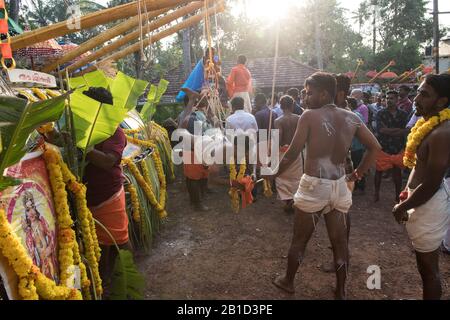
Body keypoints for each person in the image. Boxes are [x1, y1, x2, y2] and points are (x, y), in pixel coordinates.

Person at [268, 72, 381, 299]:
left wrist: (273, 174)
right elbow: (375, 147)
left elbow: (291, 154)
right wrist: (357, 173)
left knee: (299, 241)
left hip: (314, 186)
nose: (305, 97)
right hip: (339, 186)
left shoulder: (309, 116)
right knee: (340, 244)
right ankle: (340, 291)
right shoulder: (351, 117)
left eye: (309, 93)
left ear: (324, 93)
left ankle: (288, 281)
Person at [392, 74, 450, 300]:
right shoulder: (429, 125)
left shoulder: (442, 132)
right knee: (424, 267)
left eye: (424, 95)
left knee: (429, 270)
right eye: (418, 92)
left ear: (442, 102)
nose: (416, 98)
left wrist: (403, 206)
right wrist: (407, 192)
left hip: (429, 203)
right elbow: (420, 168)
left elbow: (432, 183)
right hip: (421, 201)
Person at [83, 94, 130, 291]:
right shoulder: (85, 127)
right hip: (89, 194)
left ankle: (127, 278)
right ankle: (106, 279)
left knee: (119, 239)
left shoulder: (114, 130)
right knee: (101, 243)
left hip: (108, 193)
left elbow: (108, 161)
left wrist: (84, 147)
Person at [179, 88, 214, 211]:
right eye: (196, 99)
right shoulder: (190, 116)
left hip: (198, 149)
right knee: (193, 178)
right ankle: (197, 203)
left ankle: (198, 198)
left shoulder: (195, 114)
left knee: (200, 175)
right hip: (193, 150)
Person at [374, 90, 409, 202]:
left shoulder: (403, 114)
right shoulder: (380, 113)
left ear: (397, 100)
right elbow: (381, 130)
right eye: (387, 98)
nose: (389, 100)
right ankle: (376, 193)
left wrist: (390, 130)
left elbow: (406, 131)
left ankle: (397, 195)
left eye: (392, 98)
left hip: (397, 147)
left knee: (397, 172)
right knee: (378, 171)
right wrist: (398, 130)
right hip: (383, 146)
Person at [274, 95, 302, 213]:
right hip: (296, 152)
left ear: (280, 106)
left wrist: (274, 151)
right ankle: (294, 199)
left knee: (281, 177)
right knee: (296, 178)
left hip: (283, 152)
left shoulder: (278, 121)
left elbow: (278, 137)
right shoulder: (299, 118)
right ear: (292, 105)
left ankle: (287, 200)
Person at [348, 98, 366, 193]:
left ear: (349, 104)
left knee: (356, 166)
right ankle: (359, 186)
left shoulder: (353, 115)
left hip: (355, 145)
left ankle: (359, 186)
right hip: (358, 145)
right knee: (357, 165)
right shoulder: (358, 114)